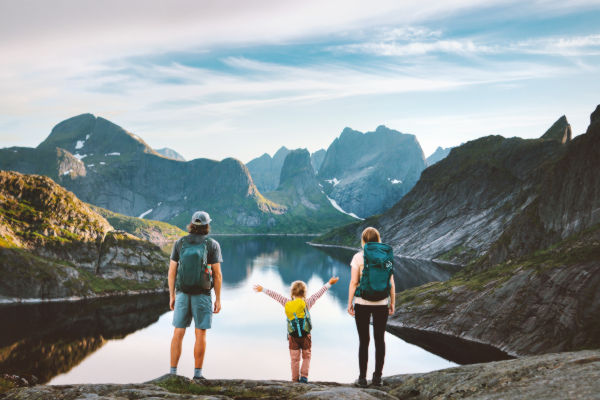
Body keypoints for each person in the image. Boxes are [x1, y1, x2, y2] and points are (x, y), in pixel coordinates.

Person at [168, 211, 223, 383]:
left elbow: (172, 272)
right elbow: (218, 275)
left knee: (178, 332)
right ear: (207, 225)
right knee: (200, 334)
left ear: (191, 224)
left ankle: (172, 373)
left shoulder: (180, 242)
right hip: (202, 295)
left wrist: (172, 295)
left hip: (183, 293)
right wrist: (218, 299)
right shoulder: (212, 244)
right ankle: (198, 375)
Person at [253, 277, 339, 383]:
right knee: (306, 356)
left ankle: (294, 380)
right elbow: (318, 295)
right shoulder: (307, 303)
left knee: (294, 359)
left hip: (293, 336)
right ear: (304, 293)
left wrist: (263, 289)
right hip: (305, 335)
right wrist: (329, 283)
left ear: (292, 292)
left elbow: (276, 296)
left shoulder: (286, 302)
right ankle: (304, 377)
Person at [347, 227, 395, 387]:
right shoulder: (386, 257)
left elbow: (354, 282)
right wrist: (392, 302)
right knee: (380, 340)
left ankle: (362, 379)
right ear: (378, 239)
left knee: (364, 341)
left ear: (363, 240)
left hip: (362, 303)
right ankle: (377, 379)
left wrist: (349, 303)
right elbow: (391, 282)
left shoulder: (358, 257)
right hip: (382, 303)